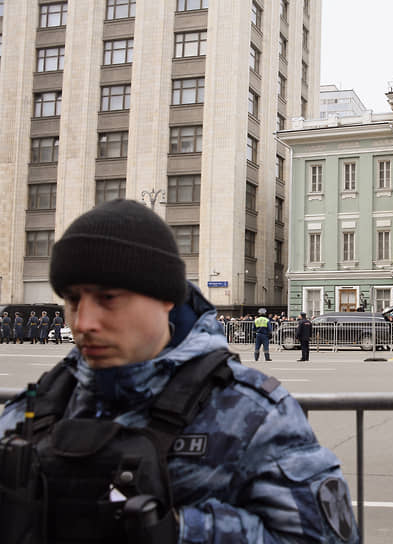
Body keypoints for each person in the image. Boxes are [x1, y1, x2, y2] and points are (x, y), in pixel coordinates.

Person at [0, 199, 358, 543]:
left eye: (108, 298)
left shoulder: (253, 414)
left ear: (165, 298)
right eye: (73, 300)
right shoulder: (42, 405)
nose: (84, 322)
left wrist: (177, 531)